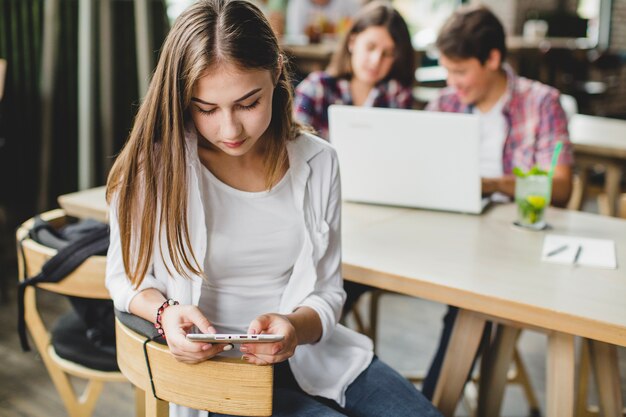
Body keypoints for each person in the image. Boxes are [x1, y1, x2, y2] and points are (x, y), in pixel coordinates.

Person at [105, 1, 441, 416]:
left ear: (277, 71)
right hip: (220, 374)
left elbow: (328, 293)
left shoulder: (319, 162)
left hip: (315, 358)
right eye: (206, 108)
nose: (229, 129)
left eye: (248, 103)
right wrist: (164, 313)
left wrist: (295, 329)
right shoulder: (153, 169)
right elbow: (125, 281)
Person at [421, 5, 574, 399]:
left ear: (492, 59)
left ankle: (432, 404)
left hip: (509, 244)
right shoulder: (444, 106)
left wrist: (492, 184)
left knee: (468, 306)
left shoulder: (542, 103)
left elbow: (560, 188)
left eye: (460, 71)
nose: (452, 83)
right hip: (447, 235)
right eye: (448, 71)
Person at [293, 1, 415, 140]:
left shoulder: (397, 94)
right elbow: (295, 147)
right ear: (352, 42)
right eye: (370, 47)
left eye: (387, 54)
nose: (376, 61)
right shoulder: (317, 88)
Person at [286, 0, 361, 41]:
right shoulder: (298, 3)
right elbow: (294, 36)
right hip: (307, 57)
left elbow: (359, 27)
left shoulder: (348, 3)